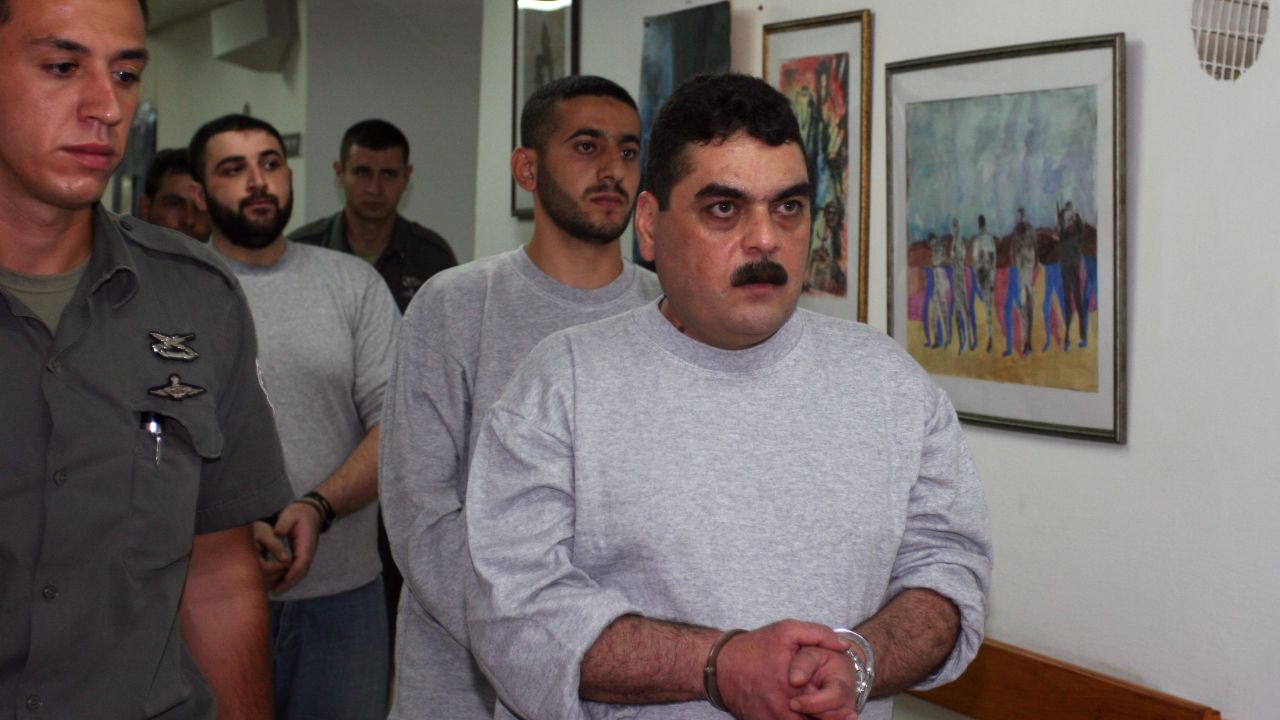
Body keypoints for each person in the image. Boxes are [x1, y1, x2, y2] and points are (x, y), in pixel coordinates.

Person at [463, 73, 992, 720]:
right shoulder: (562, 386)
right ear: (651, 226)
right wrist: (717, 665)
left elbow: (948, 570)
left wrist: (860, 660)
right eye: (724, 209)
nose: (765, 239)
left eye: (788, 207)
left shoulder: (889, 384)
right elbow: (512, 614)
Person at [0, 1, 296, 718]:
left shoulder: (196, 298)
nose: (107, 106)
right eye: (63, 67)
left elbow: (222, 576)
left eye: (127, 73)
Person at [379, 75, 662, 719]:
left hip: (633, 685)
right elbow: (420, 513)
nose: (612, 169)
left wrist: (623, 657)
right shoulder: (454, 306)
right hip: (462, 687)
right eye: (586, 147)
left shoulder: (667, 311)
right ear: (527, 169)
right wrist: (543, 646)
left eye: (627, 150)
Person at [190, 114, 400, 719]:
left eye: (270, 164)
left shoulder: (353, 285)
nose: (258, 182)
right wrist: (225, 526)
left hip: (344, 600)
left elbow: (397, 427)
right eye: (234, 169)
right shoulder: (172, 289)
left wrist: (317, 506)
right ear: (202, 194)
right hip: (202, 593)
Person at [290, 118, 457, 312]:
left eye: (388, 175)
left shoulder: (432, 258)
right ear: (340, 173)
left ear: (406, 176)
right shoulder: (302, 251)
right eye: (362, 173)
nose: (374, 189)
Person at [138, 147, 212, 242]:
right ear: (145, 207)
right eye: (175, 204)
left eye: (200, 207)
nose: (189, 220)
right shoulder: (118, 255)